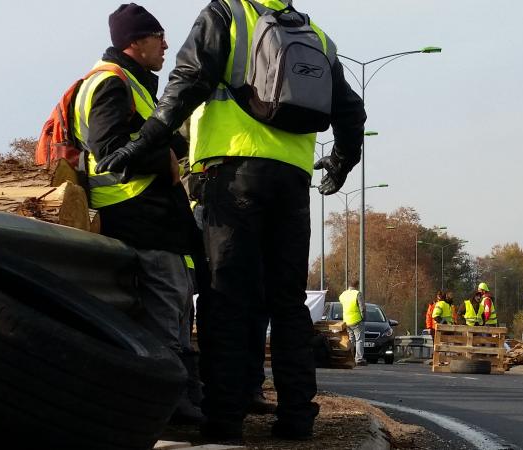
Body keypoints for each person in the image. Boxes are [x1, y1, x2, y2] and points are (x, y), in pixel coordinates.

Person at [96, 0, 368, 439]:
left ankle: (224, 421)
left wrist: (140, 143)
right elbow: (350, 111)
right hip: (292, 179)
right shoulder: (315, 34)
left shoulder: (226, 13)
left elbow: (186, 82)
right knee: (288, 302)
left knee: (227, 299)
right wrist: (340, 161)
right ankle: (297, 417)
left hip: (231, 175)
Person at [75, 3, 202, 424]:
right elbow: (109, 152)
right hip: (137, 215)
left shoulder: (134, 83)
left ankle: (183, 402)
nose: (166, 44)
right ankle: (169, 410)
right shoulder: (111, 83)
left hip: (155, 217)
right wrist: (162, 160)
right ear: (134, 42)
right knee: (166, 314)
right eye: (157, 37)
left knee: (176, 308)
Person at [339, 283, 365, 366]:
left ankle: (350, 358)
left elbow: (341, 301)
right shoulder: (357, 293)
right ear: (356, 286)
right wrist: (363, 317)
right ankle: (359, 359)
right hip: (356, 320)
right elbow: (362, 308)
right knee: (359, 340)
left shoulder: (343, 294)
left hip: (346, 321)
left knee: (351, 340)